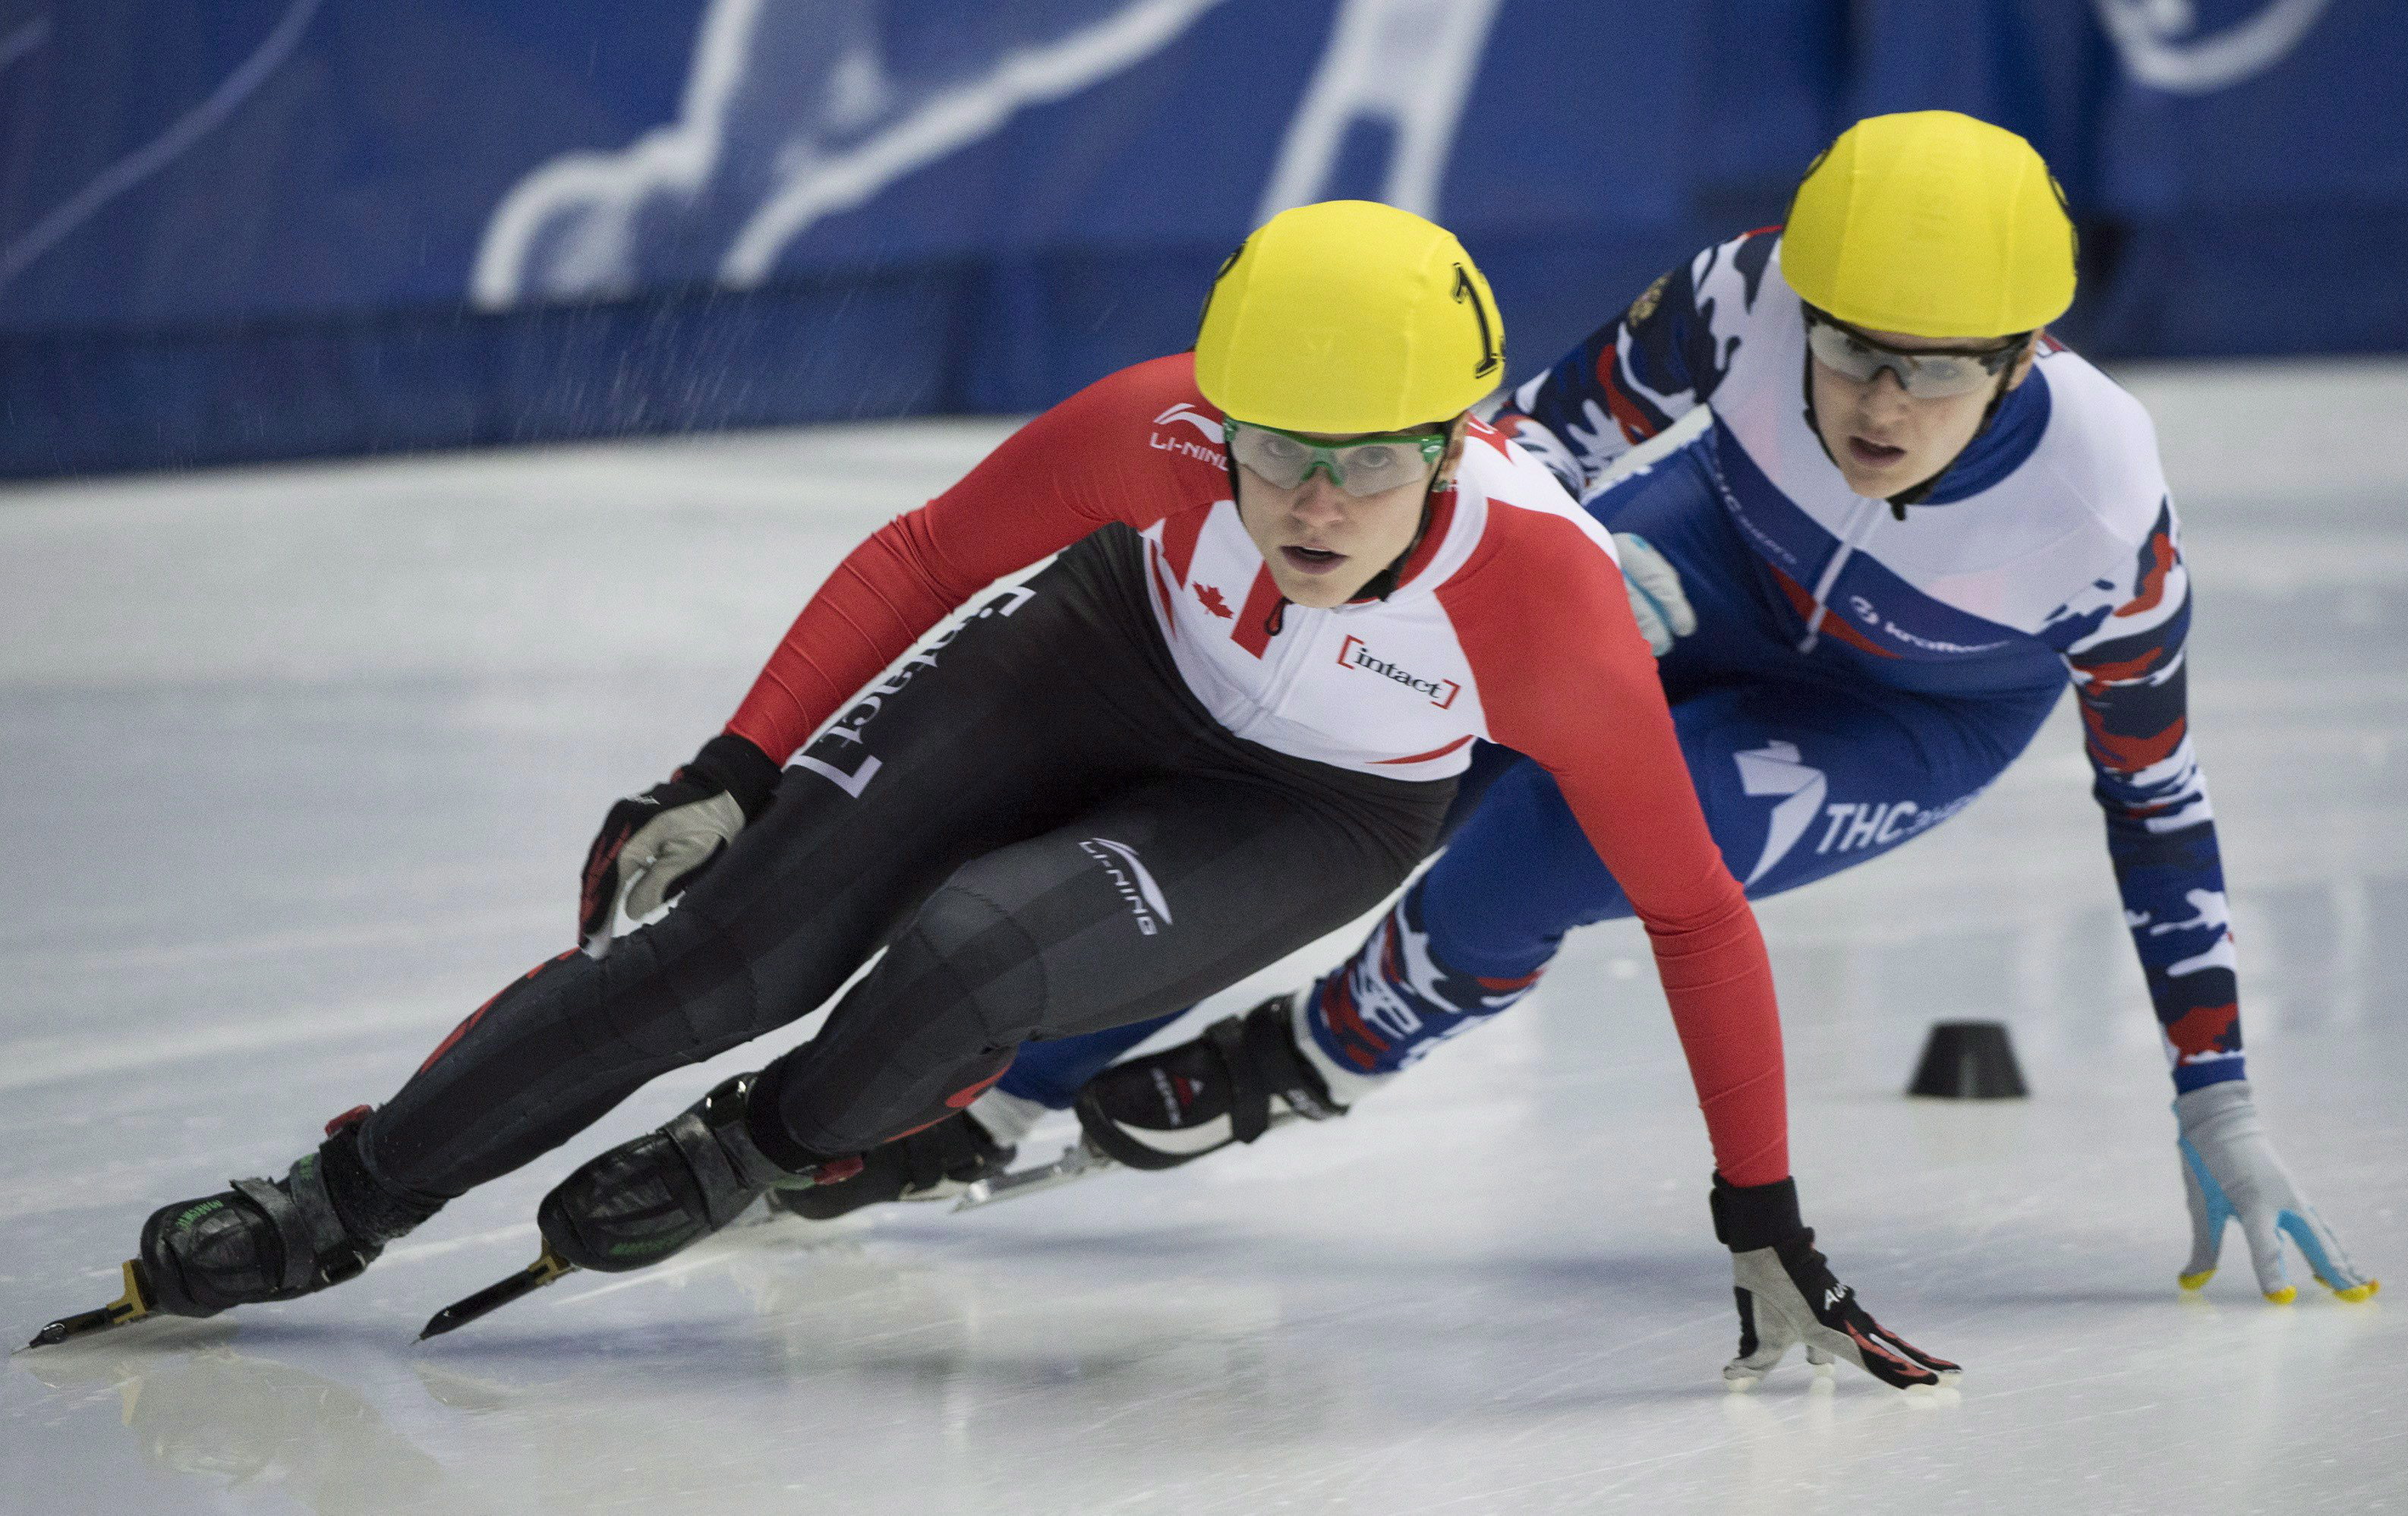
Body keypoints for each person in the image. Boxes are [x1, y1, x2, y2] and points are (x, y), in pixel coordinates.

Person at [91, 201, 1955, 1390]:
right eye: (1274, 454)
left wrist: (1758, 1210)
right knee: (716, 951)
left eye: (1365, 467)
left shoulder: (1541, 609)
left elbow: (1698, 911)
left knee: (966, 959)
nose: (1310, 502)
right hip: (1099, 653)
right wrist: (734, 768)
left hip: (1313, 807)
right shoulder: (1151, 427)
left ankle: (772, 1147)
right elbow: (921, 557)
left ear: (1452, 446)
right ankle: (338, 1194)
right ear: (1215, 416)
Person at [894, 112, 2377, 1310]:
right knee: (1393, 723)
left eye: (1927, 373)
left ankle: (1319, 1052)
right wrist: (1575, 572)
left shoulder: (2102, 515)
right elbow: (1519, 447)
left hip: (1901, 712)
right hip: (1708, 564)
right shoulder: (1750, 291)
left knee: (1556, 847)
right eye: (1847, 348)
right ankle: (1019, 1074)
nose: (1872, 401)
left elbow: (2156, 800)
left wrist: (2216, 1092)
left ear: (2017, 361)